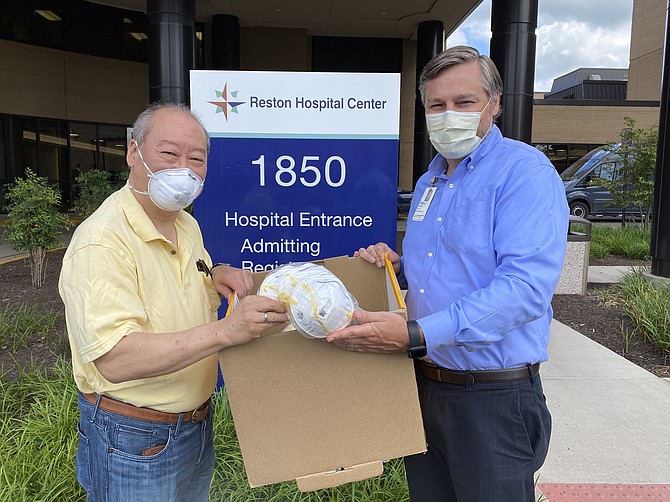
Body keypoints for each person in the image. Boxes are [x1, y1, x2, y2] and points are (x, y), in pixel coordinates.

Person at [326, 46, 569, 501]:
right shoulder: (429, 182)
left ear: (494, 103)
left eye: (464, 102)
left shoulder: (524, 173)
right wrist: (395, 269)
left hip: (492, 402)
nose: (448, 115)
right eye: (436, 106)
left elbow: (524, 291)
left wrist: (416, 333)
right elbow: (440, 271)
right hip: (423, 388)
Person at [58, 102, 288, 501]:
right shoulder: (102, 242)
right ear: (134, 152)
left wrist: (214, 275)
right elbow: (115, 358)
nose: (183, 168)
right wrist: (226, 331)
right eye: (169, 153)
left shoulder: (185, 223)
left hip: (195, 425)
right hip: (133, 438)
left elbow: (179, 282)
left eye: (196, 158)